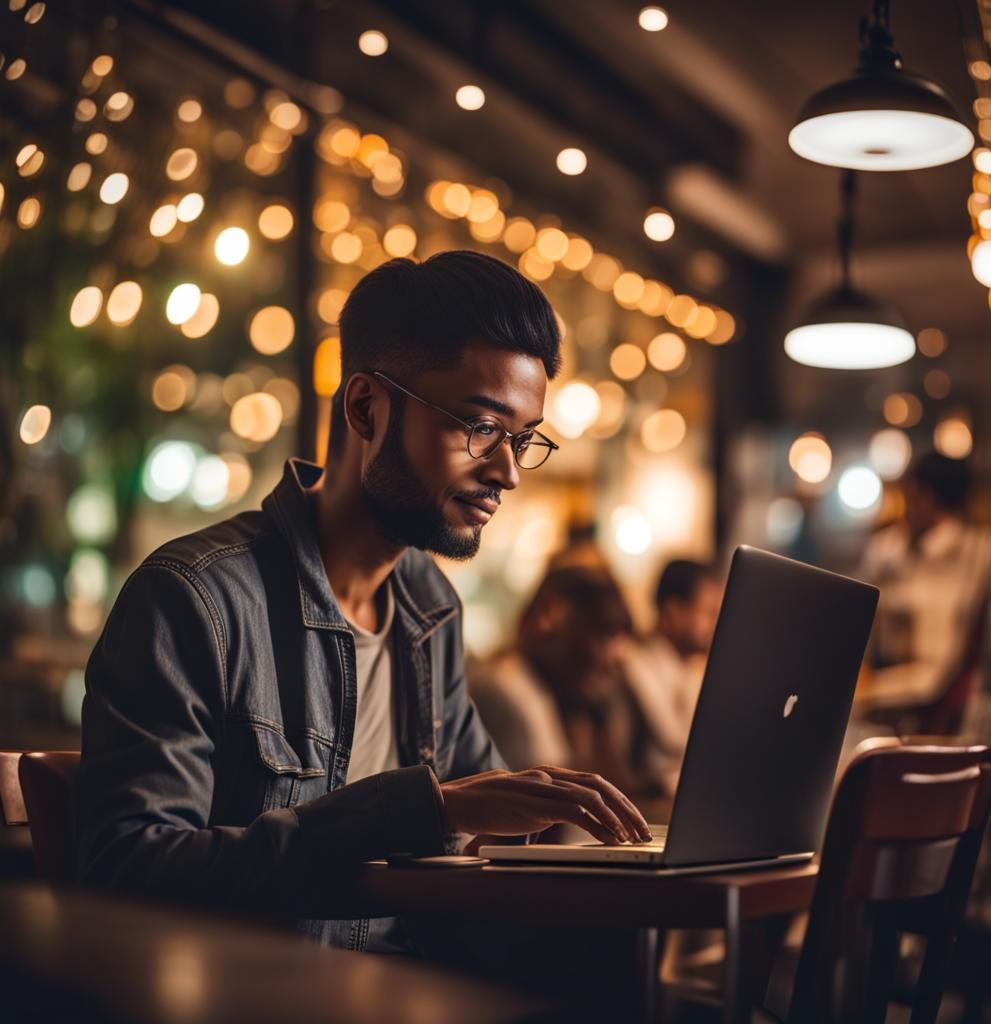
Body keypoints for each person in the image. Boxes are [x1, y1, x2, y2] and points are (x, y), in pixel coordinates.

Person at [74, 251, 651, 956]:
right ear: (365, 408)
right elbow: (128, 873)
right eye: (480, 427)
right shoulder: (196, 600)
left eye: (522, 441)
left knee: (623, 962)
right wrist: (425, 812)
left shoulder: (428, 608)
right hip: (255, 994)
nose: (506, 472)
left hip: (411, 986)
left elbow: (489, 818)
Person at [855, 450, 991, 732]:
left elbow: (936, 670)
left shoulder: (978, 552)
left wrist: (865, 689)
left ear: (927, 496)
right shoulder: (886, 546)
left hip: (935, 705)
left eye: (914, 494)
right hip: (884, 695)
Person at [471, 565, 645, 792]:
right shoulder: (505, 690)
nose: (616, 657)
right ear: (551, 617)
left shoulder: (562, 693)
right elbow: (526, 801)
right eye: (603, 635)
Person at [621, 559, 723, 794]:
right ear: (673, 611)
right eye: (709, 613)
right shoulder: (632, 668)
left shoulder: (698, 674)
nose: (716, 624)